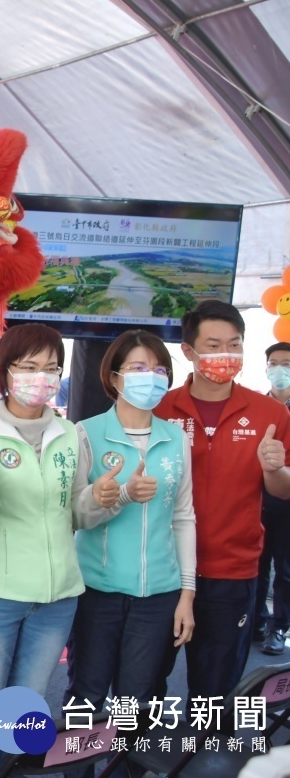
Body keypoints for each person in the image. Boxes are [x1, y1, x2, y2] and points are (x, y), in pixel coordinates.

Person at [0, 323, 85, 769]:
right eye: (29, 367)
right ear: (5, 371)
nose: (40, 378)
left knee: (26, 708)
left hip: (57, 597)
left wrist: (110, 498)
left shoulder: (72, 435)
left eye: (51, 368)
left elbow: (77, 514)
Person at [154, 301, 290, 699]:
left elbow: (283, 488)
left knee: (216, 689)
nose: (224, 355)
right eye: (213, 345)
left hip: (232, 570)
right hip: (161, 570)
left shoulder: (270, 413)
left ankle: (209, 757)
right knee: (144, 682)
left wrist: (274, 469)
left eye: (234, 344)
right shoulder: (159, 410)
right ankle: (134, 760)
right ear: (189, 351)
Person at [65, 330, 195, 725]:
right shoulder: (85, 433)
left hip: (158, 594)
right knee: (86, 692)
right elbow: (75, 516)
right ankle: (77, 770)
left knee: (137, 701)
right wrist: (119, 495)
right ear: (115, 377)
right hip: (96, 591)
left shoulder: (176, 437)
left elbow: (183, 517)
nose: (151, 377)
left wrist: (187, 594)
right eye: (139, 368)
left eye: (159, 369)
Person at [257, 342, 290, 655]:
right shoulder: (257, 408)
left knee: (286, 569)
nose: (279, 370)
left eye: (286, 364)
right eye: (274, 363)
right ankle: (255, 620)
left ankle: (278, 627)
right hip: (257, 500)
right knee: (257, 562)